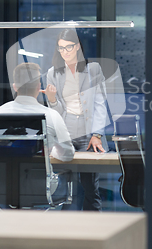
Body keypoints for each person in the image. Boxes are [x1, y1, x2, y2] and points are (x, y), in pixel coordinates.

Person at [43, 29, 108, 211]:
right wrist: (53, 99)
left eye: (69, 47)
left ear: (78, 46)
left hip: (88, 132)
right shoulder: (53, 73)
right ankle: (67, 230)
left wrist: (97, 134)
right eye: (61, 48)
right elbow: (56, 112)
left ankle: (93, 228)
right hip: (66, 130)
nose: (65, 52)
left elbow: (100, 103)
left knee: (90, 185)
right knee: (66, 184)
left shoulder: (92, 68)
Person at [0, 62, 75, 198]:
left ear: (15, 87)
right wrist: (49, 148)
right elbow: (67, 154)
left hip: (0, 189)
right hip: (41, 190)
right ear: (38, 87)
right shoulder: (52, 115)